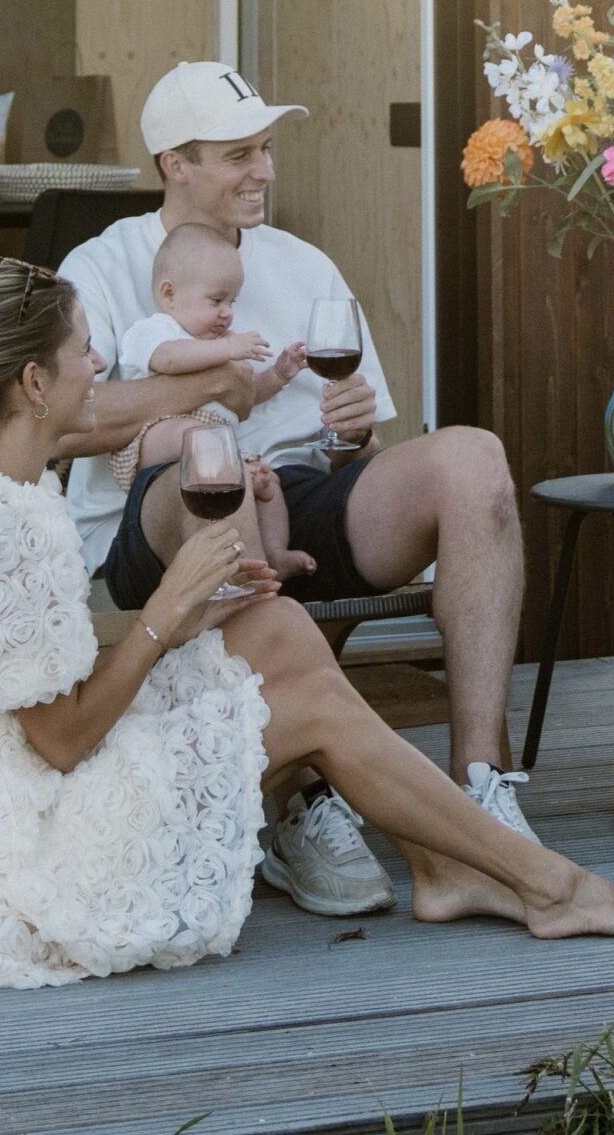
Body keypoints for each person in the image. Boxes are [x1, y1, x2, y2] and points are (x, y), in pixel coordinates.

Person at [0, 261, 614, 989]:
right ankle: (547, 885)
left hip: (24, 764)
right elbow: (62, 740)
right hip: (17, 823)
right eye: (82, 351)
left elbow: (36, 677)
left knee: (279, 631)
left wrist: (185, 615)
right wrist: (167, 611)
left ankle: (444, 866)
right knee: (309, 702)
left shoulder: (5, 490)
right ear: (35, 384)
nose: (100, 363)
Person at [54, 61, 541, 919]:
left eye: (267, 150)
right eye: (240, 154)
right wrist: (209, 404)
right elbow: (67, 419)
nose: (267, 172)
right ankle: (300, 801)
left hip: (298, 500)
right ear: (175, 162)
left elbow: (357, 445)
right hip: (154, 524)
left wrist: (358, 433)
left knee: (472, 461)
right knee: (214, 465)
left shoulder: (303, 262)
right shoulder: (101, 265)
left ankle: (480, 788)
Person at [112, 221, 314, 580]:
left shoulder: (222, 344)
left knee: (269, 484)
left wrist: (279, 375)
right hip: (154, 438)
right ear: (169, 294)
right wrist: (226, 349)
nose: (227, 312)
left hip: (219, 452)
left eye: (232, 302)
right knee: (197, 435)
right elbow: (168, 361)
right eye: (216, 300)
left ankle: (274, 554)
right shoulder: (156, 330)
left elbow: (247, 397)